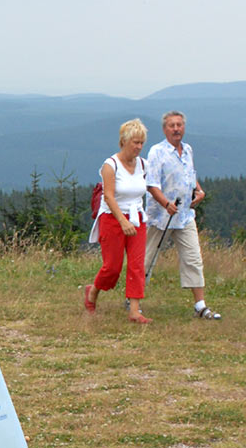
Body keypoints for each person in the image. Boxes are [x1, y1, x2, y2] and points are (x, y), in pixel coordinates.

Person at [144, 110, 221, 320]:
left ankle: (200, 305)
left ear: (184, 127)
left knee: (193, 258)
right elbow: (151, 184)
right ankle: (133, 299)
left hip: (185, 215)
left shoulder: (187, 150)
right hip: (160, 217)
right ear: (164, 129)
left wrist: (199, 190)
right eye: (172, 125)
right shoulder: (156, 152)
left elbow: (190, 174)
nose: (176, 129)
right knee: (147, 258)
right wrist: (165, 203)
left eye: (179, 125)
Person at [85, 119, 151, 323]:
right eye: (135, 143)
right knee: (112, 267)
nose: (139, 147)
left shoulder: (143, 164)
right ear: (123, 141)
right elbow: (109, 197)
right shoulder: (110, 165)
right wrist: (122, 221)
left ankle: (134, 310)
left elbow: (147, 189)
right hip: (112, 218)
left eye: (141, 143)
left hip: (137, 218)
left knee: (137, 265)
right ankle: (93, 291)